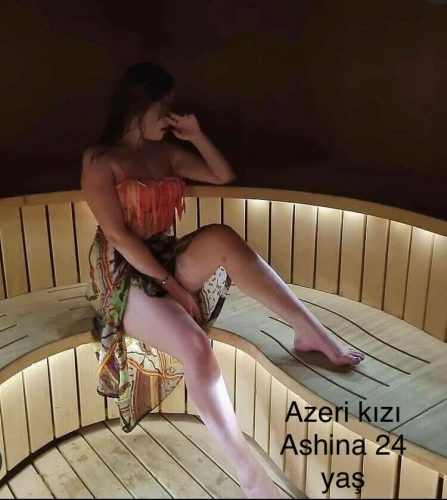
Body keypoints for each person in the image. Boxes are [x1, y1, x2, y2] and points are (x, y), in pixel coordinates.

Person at [82, 62, 364, 499]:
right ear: (138, 106)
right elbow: (119, 236)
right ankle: (252, 477)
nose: (169, 116)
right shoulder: (100, 160)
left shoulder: (166, 153)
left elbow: (221, 174)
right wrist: (175, 287)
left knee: (222, 237)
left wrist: (195, 135)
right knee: (197, 346)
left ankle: (309, 330)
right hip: (120, 272)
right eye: (163, 107)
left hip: (162, 254)